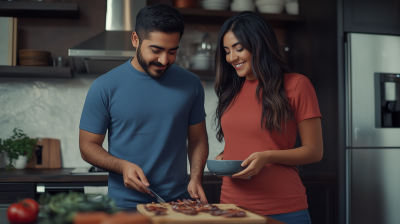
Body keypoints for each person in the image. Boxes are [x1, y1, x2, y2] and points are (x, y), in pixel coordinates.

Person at [79, 4, 209, 209]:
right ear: (135, 40)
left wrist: (196, 177)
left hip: (177, 204)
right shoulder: (104, 87)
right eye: (156, 50)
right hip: (124, 206)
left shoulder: (191, 84)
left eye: (172, 51)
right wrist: (122, 166)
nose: (164, 60)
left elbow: (198, 139)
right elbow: (87, 147)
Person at [213, 11, 323, 224]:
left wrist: (268, 156)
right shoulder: (230, 91)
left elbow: (314, 151)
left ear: (259, 44)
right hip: (231, 208)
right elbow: (244, 140)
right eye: (226, 51)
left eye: (239, 48)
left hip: (283, 208)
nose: (231, 57)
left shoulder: (297, 85)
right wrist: (224, 157)